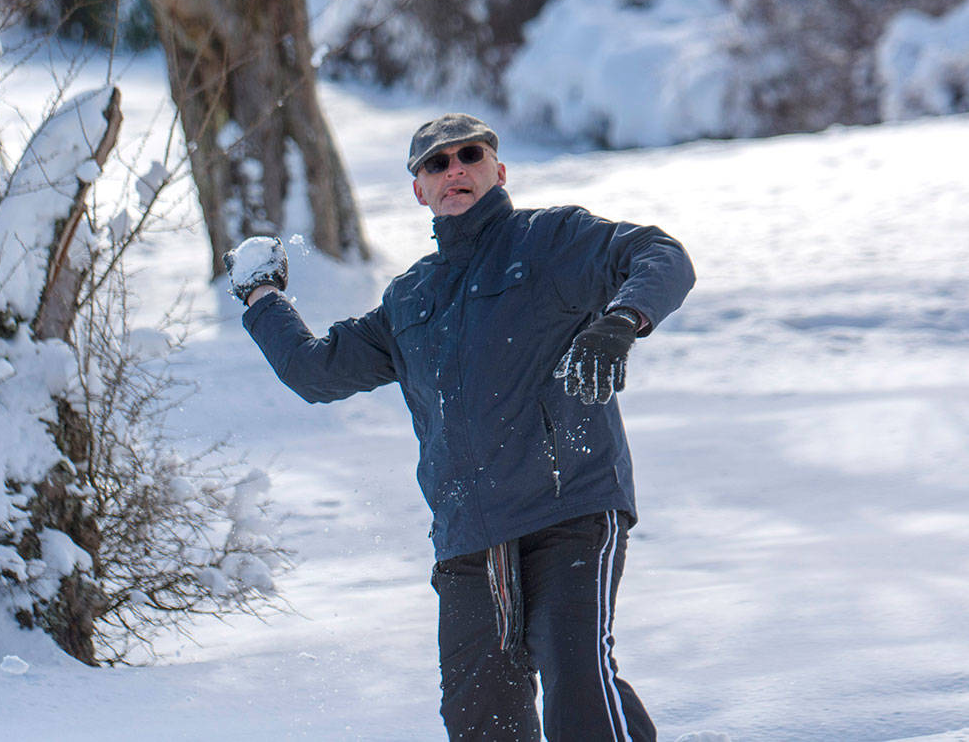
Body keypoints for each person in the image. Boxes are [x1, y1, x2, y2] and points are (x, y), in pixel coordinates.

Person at [224, 113, 695, 741]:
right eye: (435, 164)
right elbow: (317, 372)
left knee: (577, 680)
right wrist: (262, 299)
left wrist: (621, 321)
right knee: (482, 718)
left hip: (570, 507)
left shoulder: (551, 240)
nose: (454, 170)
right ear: (419, 189)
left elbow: (660, 254)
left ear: (498, 170)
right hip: (469, 537)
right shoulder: (410, 298)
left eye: (468, 155)